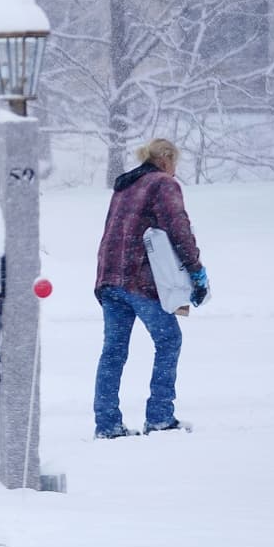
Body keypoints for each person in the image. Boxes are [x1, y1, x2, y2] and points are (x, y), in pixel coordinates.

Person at [93, 138, 210, 439]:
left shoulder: (124, 185)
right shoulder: (162, 184)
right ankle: (159, 417)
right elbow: (179, 229)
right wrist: (197, 273)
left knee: (113, 352)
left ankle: (107, 425)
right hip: (138, 278)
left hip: (109, 278)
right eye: (175, 164)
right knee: (169, 340)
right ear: (166, 159)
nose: (174, 171)